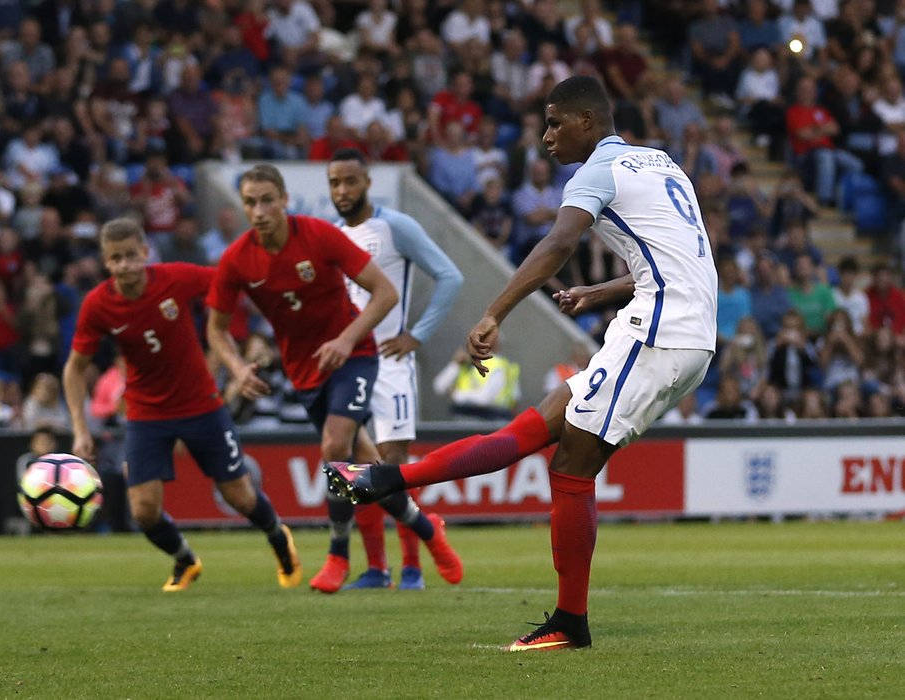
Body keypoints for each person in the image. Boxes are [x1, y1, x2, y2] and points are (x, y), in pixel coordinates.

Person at [324, 76, 717, 651]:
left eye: (556, 122)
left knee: (569, 472)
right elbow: (680, 261)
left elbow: (558, 244)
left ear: (587, 121)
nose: (546, 135)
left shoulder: (595, 173)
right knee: (529, 430)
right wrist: (599, 292)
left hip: (658, 332)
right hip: (684, 331)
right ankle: (386, 479)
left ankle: (569, 622)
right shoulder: (660, 163)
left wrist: (493, 313)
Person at [206, 164, 463, 594]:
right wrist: (235, 368)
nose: (259, 210)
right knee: (363, 469)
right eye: (250, 202)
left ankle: (337, 554)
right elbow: (215, 327)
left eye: (268, 199)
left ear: (285, 200)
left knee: (334, 446)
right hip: (305, 371)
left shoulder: (320, 235)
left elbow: (385, 293)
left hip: (355, 355)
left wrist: (346, 341)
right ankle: (426, 528)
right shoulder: (237, 259)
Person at [63, 217, 301, 592]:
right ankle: (185, 559)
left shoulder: (176, 277)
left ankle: (277, 537)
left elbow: (228, 282)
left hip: (202, 405)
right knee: (143, 510)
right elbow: (74, 370)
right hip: (146, 413)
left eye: (131, 255)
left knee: (238, 495)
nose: (125, 265)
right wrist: (80, 429)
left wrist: (237, 344)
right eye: (116, 258)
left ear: (145, 253)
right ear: (106, 262)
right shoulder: (98, 305)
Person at [327, 148, 465, 590]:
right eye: (335, 182)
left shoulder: (395, 227)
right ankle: (375, 569)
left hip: (390, 361)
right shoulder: (329, 236)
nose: (342, 190)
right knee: (352, 467)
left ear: (367, 182)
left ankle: (412, 567)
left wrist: (417, 334)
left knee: (392, 464)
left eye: (350, 181)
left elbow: (450, 276)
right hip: (350, 364)